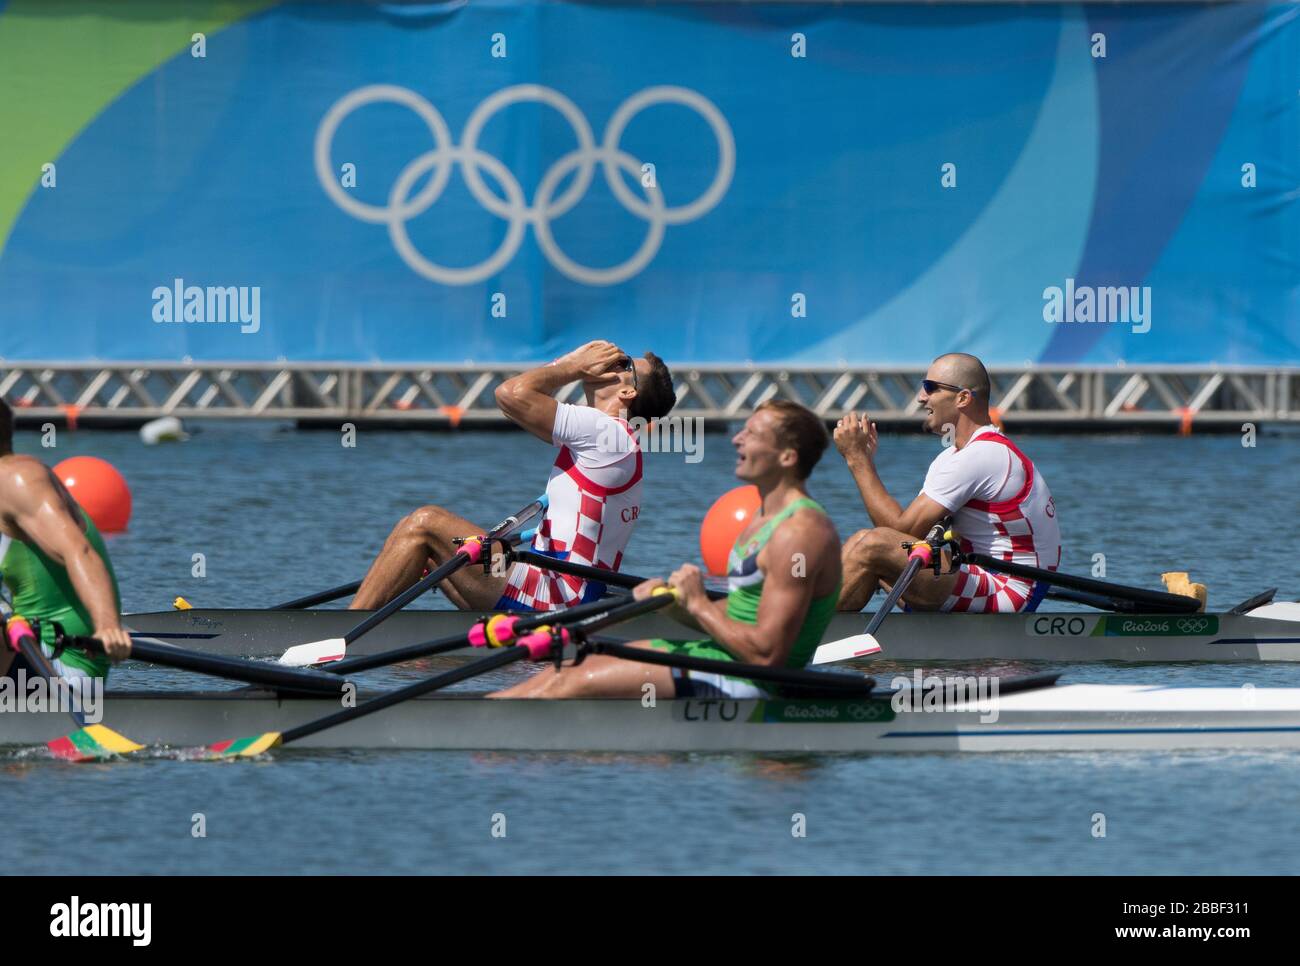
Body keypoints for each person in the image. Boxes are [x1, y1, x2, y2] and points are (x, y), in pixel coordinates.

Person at [495, 400, 841, 698]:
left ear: (787, 456)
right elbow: (739, 625)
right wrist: (676, 608)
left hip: (755, 683)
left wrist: (701, 604)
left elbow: (767, 656)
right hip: (721, 658)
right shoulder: (763, 519)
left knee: (565, 682)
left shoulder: (799, 532)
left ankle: (475, 736)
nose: (737, 439)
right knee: (567, 668)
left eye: (752, 435)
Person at [351, 341, 676, 613]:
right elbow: (514, 405)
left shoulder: (607, 432)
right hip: (555, 585)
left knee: (424, 523)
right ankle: (377, 634)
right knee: (439, 546)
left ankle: (344, 631)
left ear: (628, 393)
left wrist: (573, 365)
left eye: (621, 363)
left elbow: (509, 394)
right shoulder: (608, 439)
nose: (607, 361)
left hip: (556, 595)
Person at [835, 352, 1061, 613]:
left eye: (930, 388)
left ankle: (804, 632)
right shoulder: (951, 457)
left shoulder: (983, 455)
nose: (921, 397)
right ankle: (815, 621)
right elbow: (904, 535)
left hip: (1009, 589)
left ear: (963, 398)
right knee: (862, 540)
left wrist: (858, 460)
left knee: (873, 545)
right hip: (977, 575)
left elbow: (899, 531)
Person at [0, 396, 132, 687]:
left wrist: (108, 626)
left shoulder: (17, 479)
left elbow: (79, 550)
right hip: (25, 655)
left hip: (63, 665)